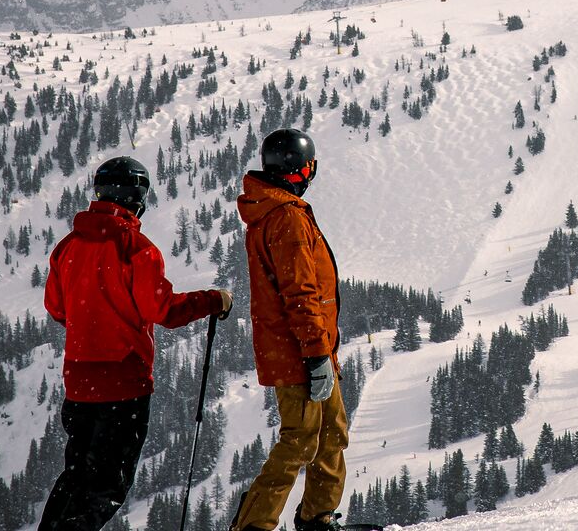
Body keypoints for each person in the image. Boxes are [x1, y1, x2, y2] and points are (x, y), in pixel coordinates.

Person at [39, 156, 229, 531]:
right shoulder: (137, 248)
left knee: (76, 478)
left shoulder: (67, 247)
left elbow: (57, 308)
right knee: (106, 486)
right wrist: (213, 300)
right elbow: (165, 310)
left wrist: (93, 318)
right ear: (138, 196)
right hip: (123, 384)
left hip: (79, 383)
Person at [231, 128, 347, 531]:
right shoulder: (286, 218)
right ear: (300, 169)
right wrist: (316, 354)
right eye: (311, 165)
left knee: (331, 433)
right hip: (300, 349)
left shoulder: (277, 212)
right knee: (300, 438)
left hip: (309, 346)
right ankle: (254, 526)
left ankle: (318, 515)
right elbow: (300, 292)